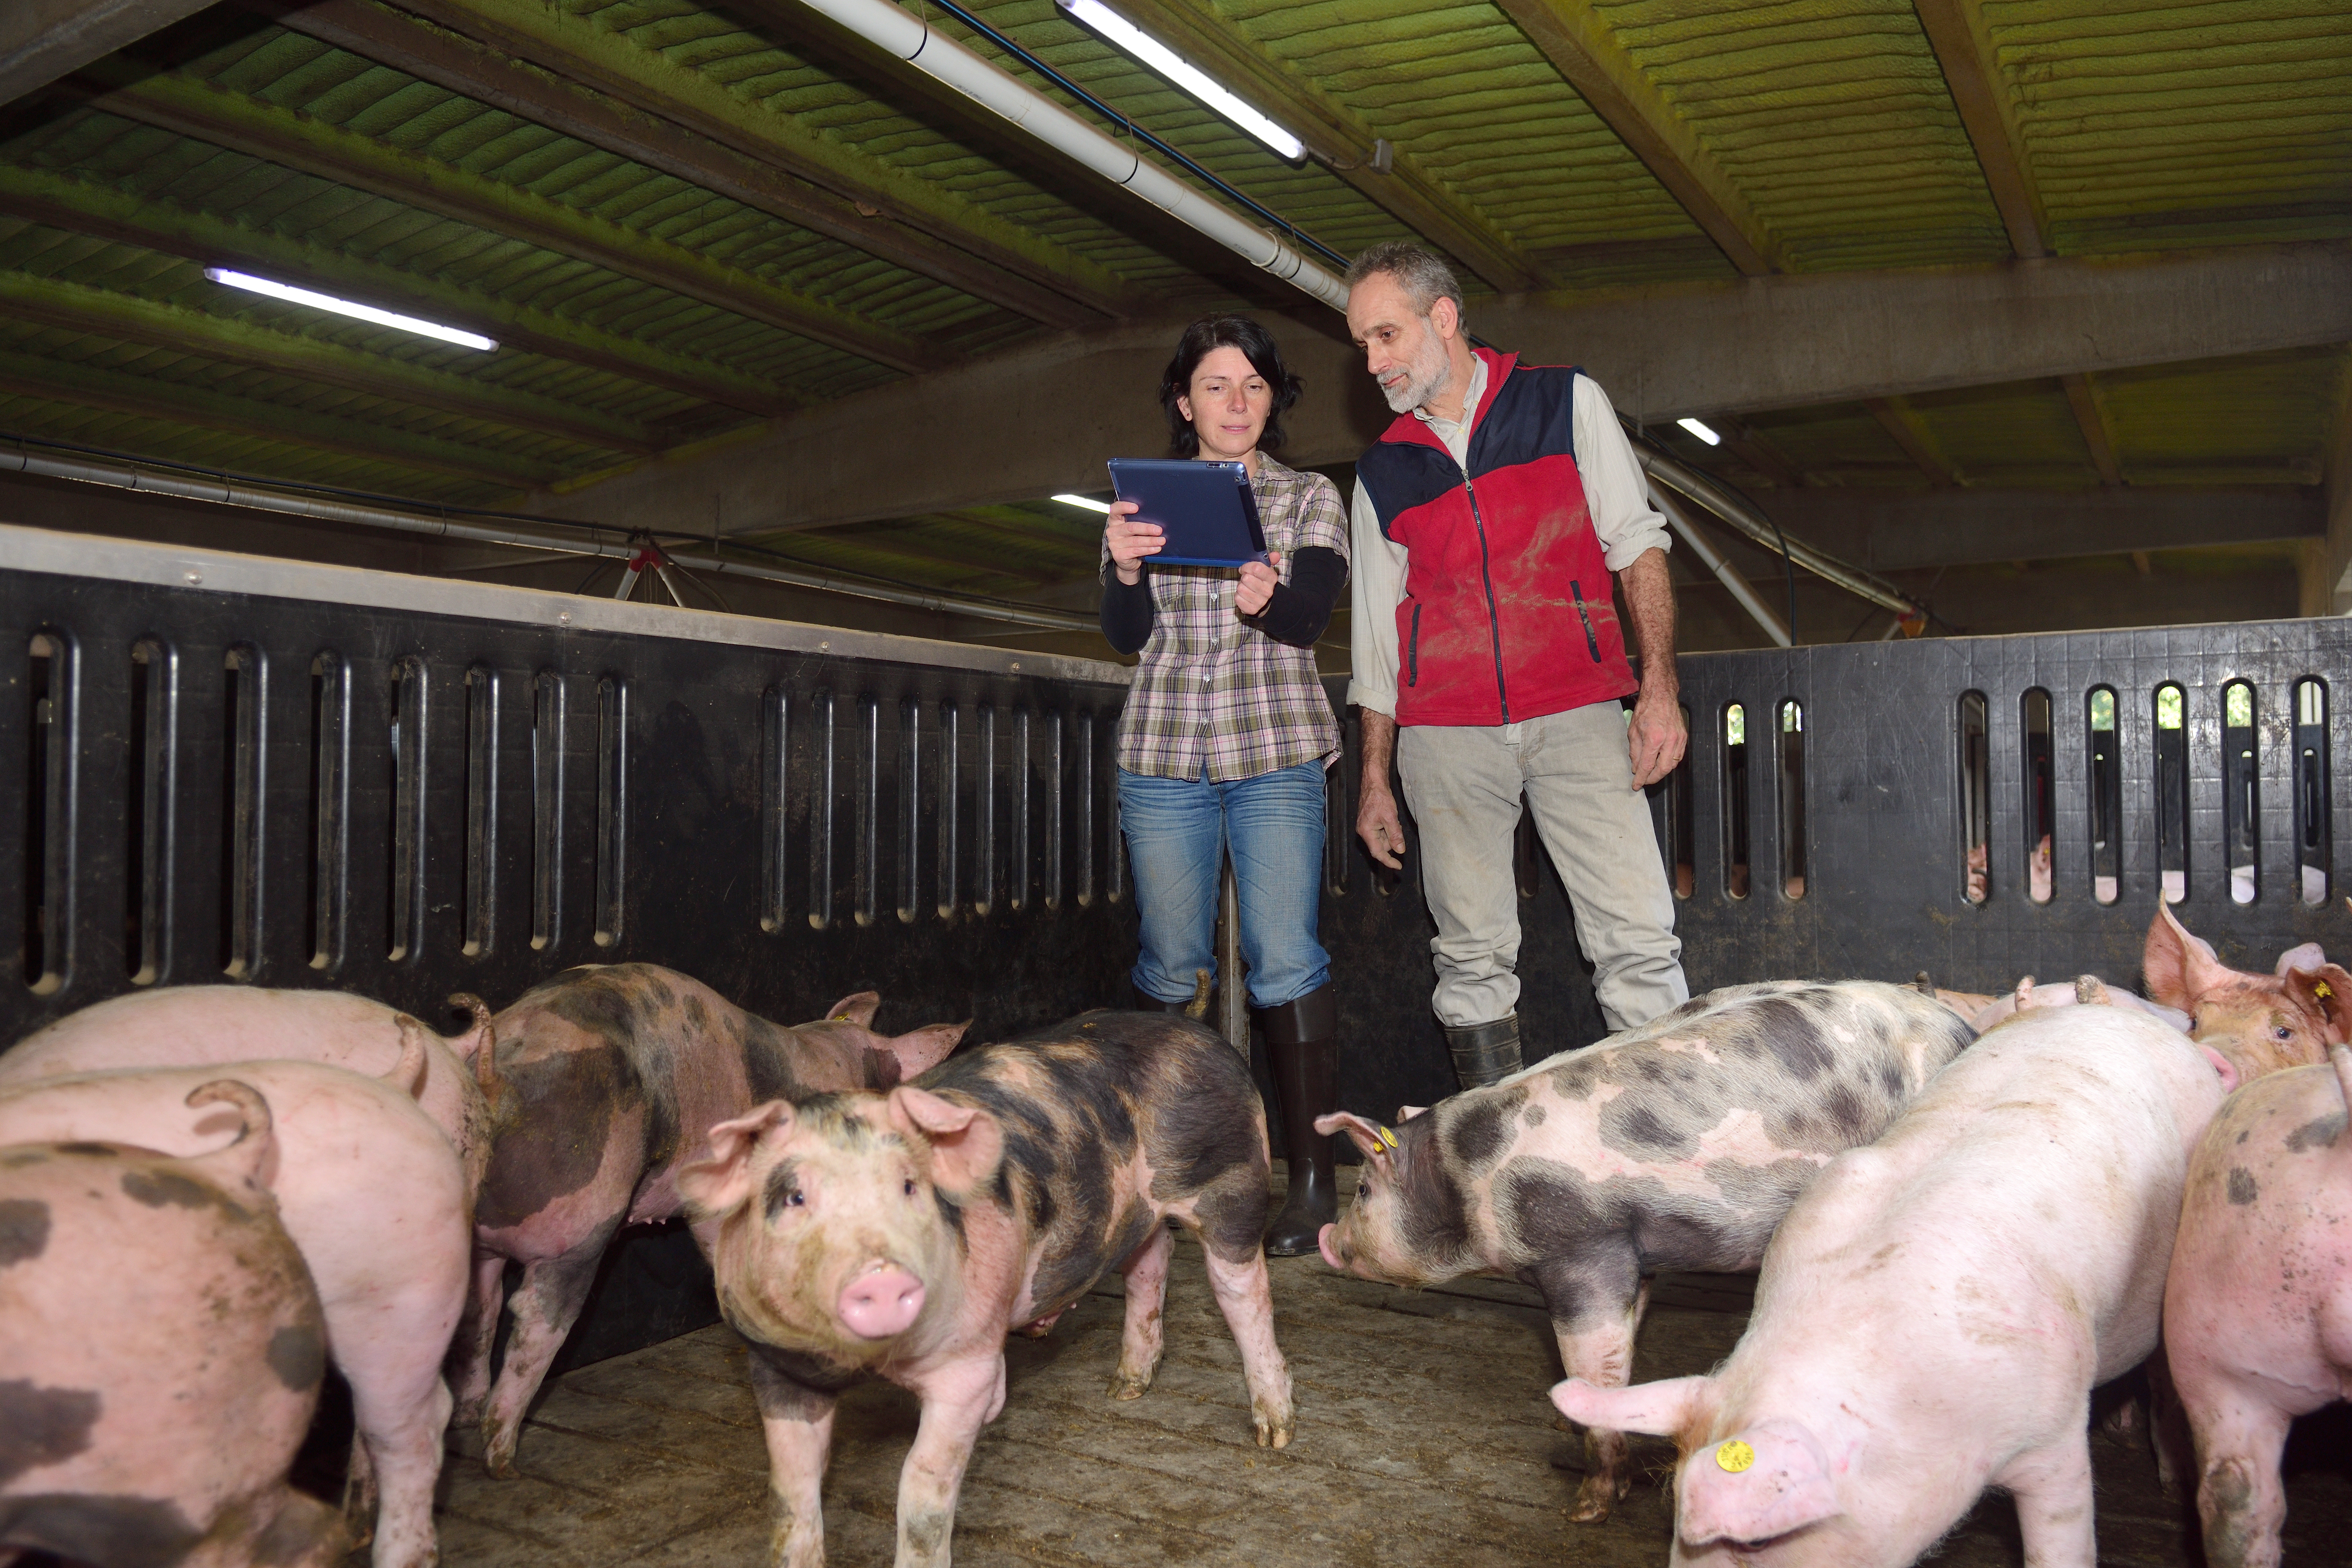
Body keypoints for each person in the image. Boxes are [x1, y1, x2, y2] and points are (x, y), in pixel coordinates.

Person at [1342, 241, 1690, 1090]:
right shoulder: (1382, 468)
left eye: (1387, 335)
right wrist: (1376, 777)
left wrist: (1660, 687)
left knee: (1638, 937)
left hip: (1578, 710)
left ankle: (1675, 1135)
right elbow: (1377, 639)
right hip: (1446, 736)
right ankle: (1492, 1150)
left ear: (1445, 319)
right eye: (1363, 345)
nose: (1375, 361)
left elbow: (1636, 544)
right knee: (1469, 957)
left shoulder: (1564, 401)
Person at [1099, 315, 1350, 1255]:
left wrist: (1270, 598)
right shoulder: (1140, 505)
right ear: (1184, 401)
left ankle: (1313, 1180)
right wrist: (1125, 566)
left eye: (1252, 387)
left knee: (1285, 957)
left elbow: (1309, 616)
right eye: (1215, 385)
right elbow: (1126, 636)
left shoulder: (1308, 498)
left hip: (1275, 750)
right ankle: (1171, 1168)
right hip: (1164, 753)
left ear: (1271, 401)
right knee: (1170, 962)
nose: (1235, 403)